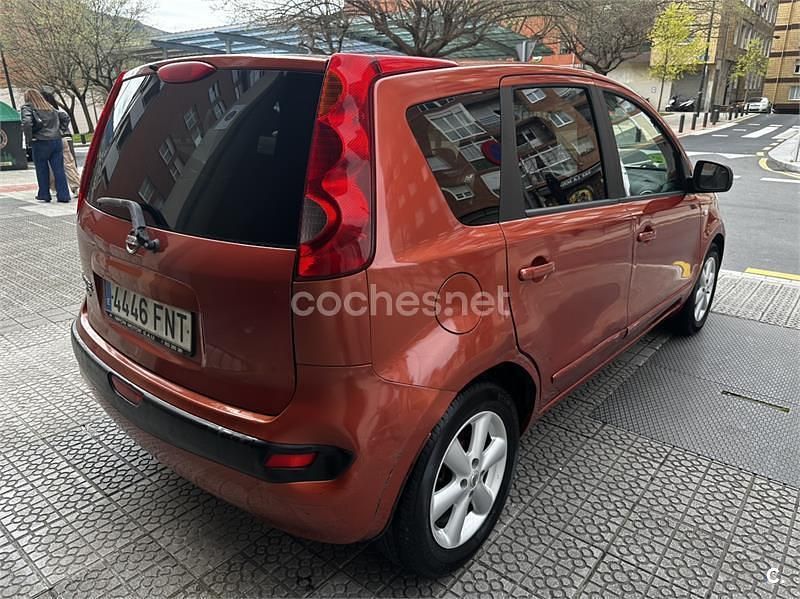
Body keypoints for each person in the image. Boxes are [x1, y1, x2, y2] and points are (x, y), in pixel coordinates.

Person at [20, 89, 71, 203]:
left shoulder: (27, 107)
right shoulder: (49, 107)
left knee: (42, 169)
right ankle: (64, 195)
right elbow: (66, 117)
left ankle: (44, 194)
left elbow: (27, 123)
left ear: (27, 98)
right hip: (56, 140)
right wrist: (60, 131)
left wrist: (29, 138)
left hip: (40, 141)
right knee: (59, 169)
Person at [41, 89, 80, 194]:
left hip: (47, 140)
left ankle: (54, 187)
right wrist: (61, 130)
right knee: (68, 163)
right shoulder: (56, 111)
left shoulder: (41, 112)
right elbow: (66, 118)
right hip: (61, 138)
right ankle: (76, 186)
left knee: (50, 165)